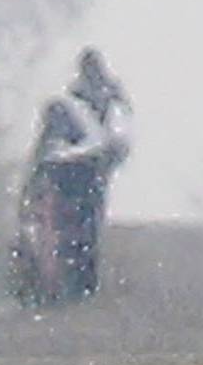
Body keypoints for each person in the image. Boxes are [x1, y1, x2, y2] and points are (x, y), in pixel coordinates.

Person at [20, 49, 132, 300]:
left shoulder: (68, 102)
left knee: (64, 224)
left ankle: (66, 278)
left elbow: (47, 143)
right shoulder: (113, 98)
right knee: (87, 225)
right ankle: (84, 279)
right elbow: (118, 142)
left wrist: (36, 171)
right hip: (93, 171)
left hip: (65, 171)